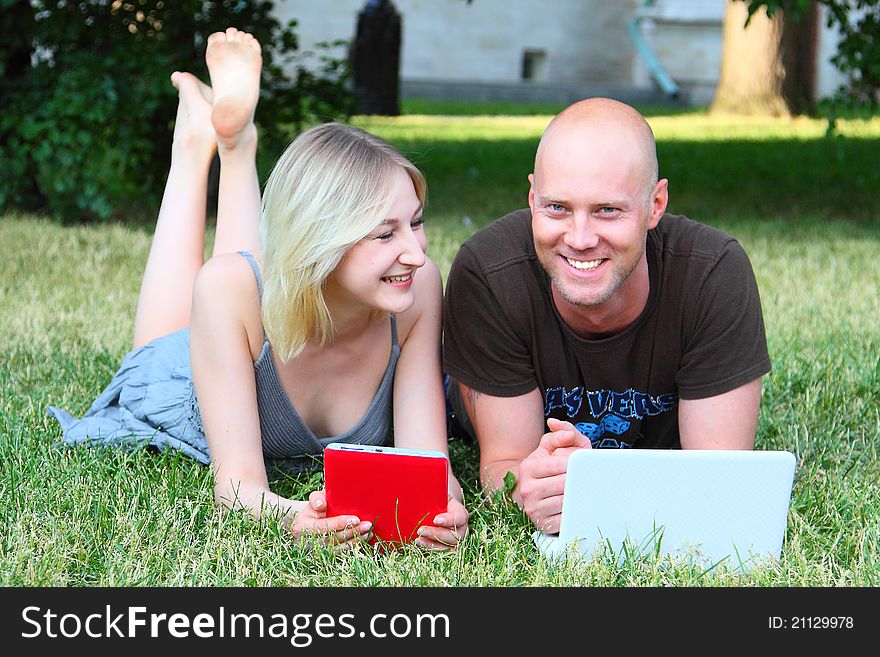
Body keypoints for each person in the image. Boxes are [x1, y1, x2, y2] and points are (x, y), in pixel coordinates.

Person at [47, 27, 468, 550]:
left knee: (248, 279)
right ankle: (201, 144)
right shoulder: (230, 291)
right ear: (323, 241)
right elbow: (239, 489)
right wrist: (296, 519)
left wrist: (445, 510)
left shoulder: (418, 290)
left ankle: (235, 142)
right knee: (198, 307)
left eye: (416, 223)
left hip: (269, 302)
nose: (417, 252)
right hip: (192, 379)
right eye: (385, 234)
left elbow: (428, 464)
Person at [442, 97, 770, 535]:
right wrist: (529, 486)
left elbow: (720, 482)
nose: (579, 238)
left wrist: (597, 478)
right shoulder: (490, 273)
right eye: (557, 207)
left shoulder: (711, 274)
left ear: (656, 204)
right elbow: (503, 466)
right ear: (532, 197)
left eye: (607, 210)